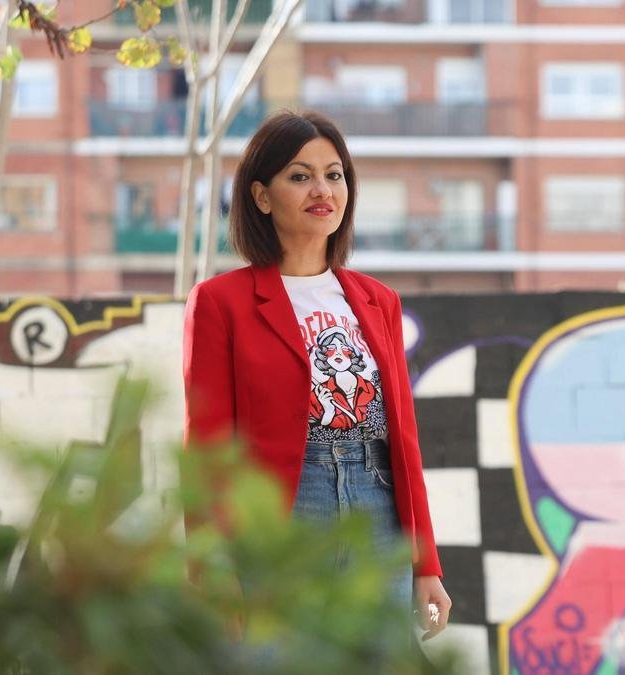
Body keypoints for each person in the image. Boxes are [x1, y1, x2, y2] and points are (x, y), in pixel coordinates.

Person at [181, 110, 451, 645]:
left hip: (377, 510)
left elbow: (403, 442)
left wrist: (426, 564)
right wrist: (212, 568)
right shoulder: (220, 302)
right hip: (282, 513)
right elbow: (206, 448)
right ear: (262, 196)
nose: (322, 189)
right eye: (300, 176)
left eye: (334, 174)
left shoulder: (378, 301)